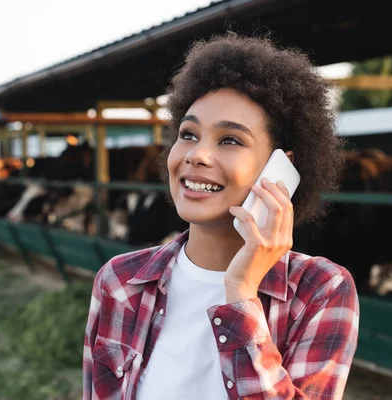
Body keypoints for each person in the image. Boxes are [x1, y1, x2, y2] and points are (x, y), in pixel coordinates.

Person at [82, 33, 359, 400]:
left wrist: (241, 296)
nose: (197, 155)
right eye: (188, 134)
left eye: (229, 140)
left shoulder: (320, 292)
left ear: (280, 168)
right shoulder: (119, 282)